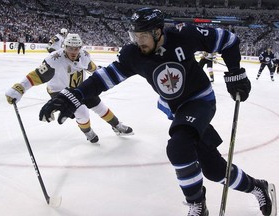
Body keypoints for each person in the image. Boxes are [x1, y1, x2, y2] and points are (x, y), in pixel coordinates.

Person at [38, 8, 276, 216]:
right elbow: (105, 77)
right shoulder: (133, 54)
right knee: (214, 170)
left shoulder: (184, 35)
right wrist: (72, 95)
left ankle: (198, 206)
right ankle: (258, 187)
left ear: (157, 32)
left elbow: (228, 39)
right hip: (177, 109)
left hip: (200, 100)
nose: (137, 40)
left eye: (142, 35)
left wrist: (234, 72)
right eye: (133, 35)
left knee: (179, 147)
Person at [6, 33, 133, 143]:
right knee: (82, 112)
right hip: (59, 91)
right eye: (70, 48)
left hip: (80, 88)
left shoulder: (84, 55)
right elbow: (37, 75)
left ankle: (116, 125)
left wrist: (99, 71)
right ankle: (87, 131)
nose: (73, 51)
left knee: (100, 107)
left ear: (80, 47)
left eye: (76, 48)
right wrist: (20, 88)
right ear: (65, 47)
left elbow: (90, 66)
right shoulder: (54, 59)